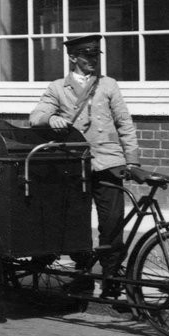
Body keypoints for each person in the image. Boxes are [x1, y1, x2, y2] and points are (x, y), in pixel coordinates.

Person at [29, 34, 140, 297]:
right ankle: (84, 275)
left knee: (112, 222)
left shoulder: (109, 85)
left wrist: (132, 160)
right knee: (75, 223)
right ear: (73, 58)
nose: (93, 61)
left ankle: (112, 279)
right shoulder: (57, 87)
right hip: (74, 165)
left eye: (95, 56)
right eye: (87, 56)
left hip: (109, 162)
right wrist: (52, 118)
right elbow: (35, 117)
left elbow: (125, 123)